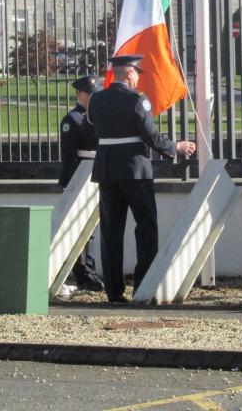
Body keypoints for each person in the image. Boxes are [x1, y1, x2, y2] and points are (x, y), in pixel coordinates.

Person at [88, 54, 196, 303]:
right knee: (146, 228)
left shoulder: (97, 99)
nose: (138, 78)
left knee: (111, 232)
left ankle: (114, 292)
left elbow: (94, 126)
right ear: (129, 73)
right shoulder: (137, 100)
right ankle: (143, 288)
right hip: (134, 170)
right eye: (137, 73)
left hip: (107, 171)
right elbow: (151, 136)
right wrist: (176, 147)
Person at [58, 75, 105, 292]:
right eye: (90, 94)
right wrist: (72, 184)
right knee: (80, 229)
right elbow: (69, 157)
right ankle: (84, 275)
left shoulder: (99, 117)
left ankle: (90, 272)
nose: (94, 98)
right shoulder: (73, 119)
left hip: (97, 176)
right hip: (79, 178)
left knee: (91, 228)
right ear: (79, 95)